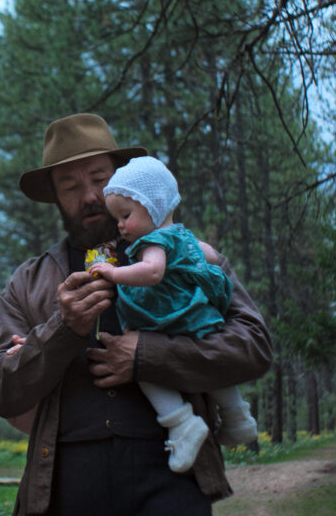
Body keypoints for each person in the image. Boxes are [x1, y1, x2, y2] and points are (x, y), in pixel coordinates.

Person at [0, 113, 272, 516]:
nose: (90, 196)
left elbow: (254, 347)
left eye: (99, 179)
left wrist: (146, 356)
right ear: (55, 196)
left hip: (172, 478)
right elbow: (0, 390)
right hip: (63, 486)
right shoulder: (28, 283)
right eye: (70, 186)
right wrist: (62, 328)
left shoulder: (182, 252)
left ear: (121, 177)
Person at [86, 155, 258, 473]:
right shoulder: (185, 236)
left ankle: (181, 423)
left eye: (125, 215)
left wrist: (112, 274)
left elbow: (152, 273)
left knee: (143, 365)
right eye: (117, 219)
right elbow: (209, 257)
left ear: (155, 205)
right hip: (199, 316)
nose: (121, 225)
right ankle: (237, 417)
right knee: (213, 368)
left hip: (166, 318)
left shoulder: (152, 243)